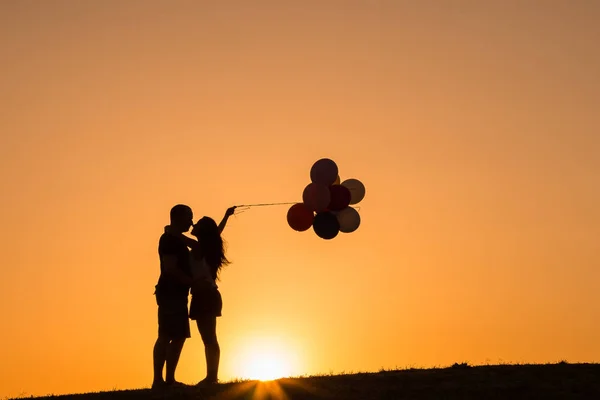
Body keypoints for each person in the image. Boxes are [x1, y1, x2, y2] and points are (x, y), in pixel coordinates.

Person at [179, 207, 235, 385]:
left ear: (202, 231)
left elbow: (179, 237)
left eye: (198, 223)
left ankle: (212, 377)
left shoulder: (198, 246)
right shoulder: (207, 245)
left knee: (209, 339)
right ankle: (211, 375)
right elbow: (217, 231)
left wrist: (170, 231)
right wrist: (226, 215)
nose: (194, 224)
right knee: (209, 338)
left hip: (205, 296)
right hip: (206, 295)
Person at [152, 204, 195, 389]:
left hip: (176, 293)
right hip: (171, 292)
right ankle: (161, 380)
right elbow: (170, 268)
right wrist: (191, 282)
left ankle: (167, 379)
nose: (191, 221)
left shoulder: (175, 238)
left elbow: (200, 245)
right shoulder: (169, 240)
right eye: (189, 217)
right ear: (178, 218)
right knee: (167, 336)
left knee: (177, 335)